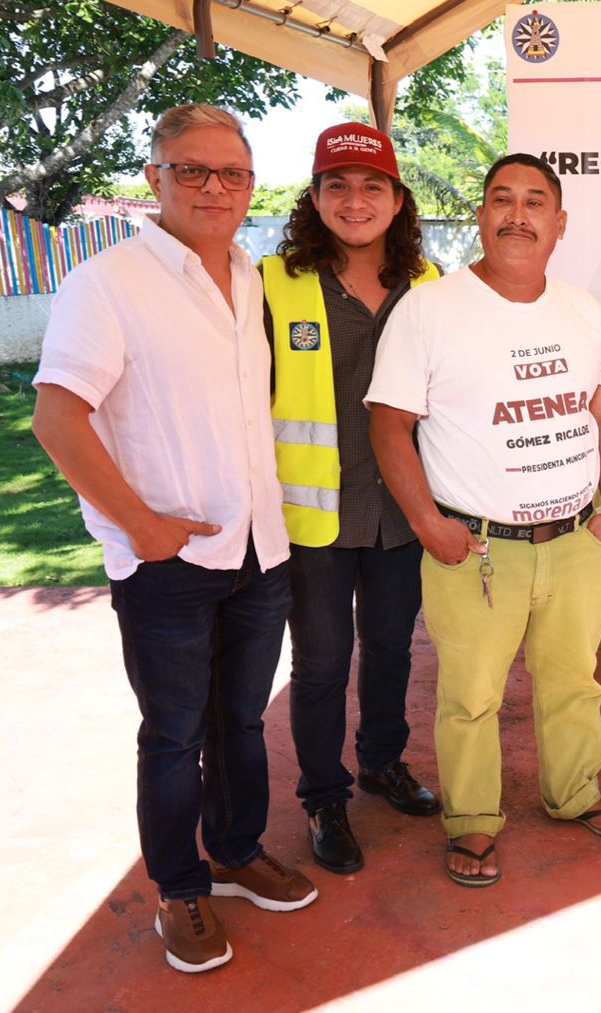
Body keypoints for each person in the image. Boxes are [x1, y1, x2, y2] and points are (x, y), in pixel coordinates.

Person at [32, 104, 316, 974]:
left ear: (250, 186)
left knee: (238, 719)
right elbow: (57, 415)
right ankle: (180, 887)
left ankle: (233, 849)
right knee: (174, 733)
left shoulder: (250, 277)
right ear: (154, 178)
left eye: (231, 173)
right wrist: (141, 525)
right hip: (169, 563)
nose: (213, 188)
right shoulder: (108, 281)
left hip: (259, 551)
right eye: (191, 170)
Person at [367, 153, 601, 890]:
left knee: (573, 682)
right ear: (482, 213)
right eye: (502, 199)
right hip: (475, 545)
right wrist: (428, 524)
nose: (518, 214)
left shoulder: (583, 309)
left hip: (576, 541)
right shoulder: (429, 308)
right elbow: (390, 425)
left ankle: (573, 792)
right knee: (472, 695)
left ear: (560, 223)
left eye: (535, 202)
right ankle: (475, 821)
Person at [262, 122, 443, 876]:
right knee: (323, 661)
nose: (355, 199)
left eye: (373, 185)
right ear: (313, 196)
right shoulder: (273, 282)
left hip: (403, 510)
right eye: (337, 184)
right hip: (313, 518)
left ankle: (381, 762)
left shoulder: (432, 287)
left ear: (399, 200)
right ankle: (323, 794)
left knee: (395, 648)